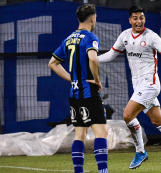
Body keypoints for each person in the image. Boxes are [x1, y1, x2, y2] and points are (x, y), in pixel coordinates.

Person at [97, 5, 161, 172]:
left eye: (141, 18)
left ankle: (140, 151)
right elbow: (111, 54)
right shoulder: (125, 36)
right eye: (135, 18)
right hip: (138, 86)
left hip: (150, 84)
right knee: (157, 121)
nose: (139, 21)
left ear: (144, 19)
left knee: (127, 115)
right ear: (130, 20)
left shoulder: (151, 36)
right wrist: (94, 59)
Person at [48, 4, 108, 173]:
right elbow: (93, 59)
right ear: (93, 18)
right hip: (89, 92)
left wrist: (71, 78)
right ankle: (103, 171)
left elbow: (52, 63)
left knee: (79, 136)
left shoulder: (67, 39)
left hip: (74, 94)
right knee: (101, 133)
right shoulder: (90, 37)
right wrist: (97, 80)